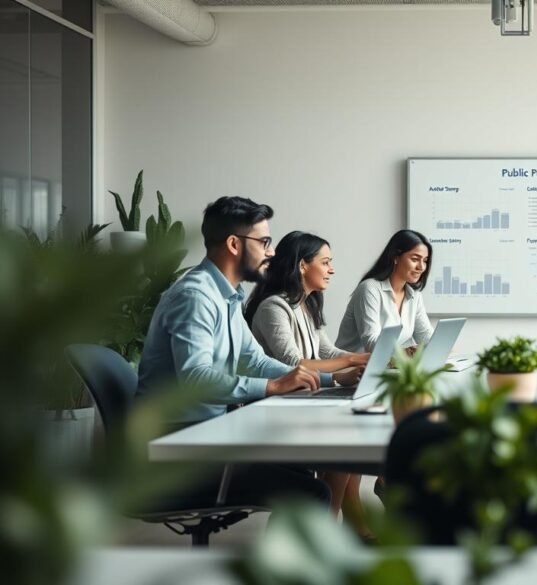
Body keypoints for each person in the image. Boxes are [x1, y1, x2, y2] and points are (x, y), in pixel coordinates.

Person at [137, 196, 335, 509]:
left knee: (302, 469)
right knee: (312, 493)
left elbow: (254, 360)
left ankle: (278, 558)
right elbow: (195, 378)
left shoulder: (226, 296)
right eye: (265, 241)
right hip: (178, 452)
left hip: (207, 436)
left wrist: (327, 380)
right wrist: (272, 387)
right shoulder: (196, 296)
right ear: (234, 244)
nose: (271, 252)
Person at [244, 230, 374, 538]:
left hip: (301, 401)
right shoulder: (273, 307)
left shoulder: (307, 304)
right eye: (326, 262)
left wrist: (368, 358)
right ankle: (326, 534)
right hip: (273, 410)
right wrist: (352, 363)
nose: (332, 270)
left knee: (350, 446)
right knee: (346, 448)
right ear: (303, 265)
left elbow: (327, 352)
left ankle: (338, 528)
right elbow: (294, 362)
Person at [336, 229, 434, 353]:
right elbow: (371, 343)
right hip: (351, 367)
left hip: (388, 366)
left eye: (425, 260)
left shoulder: (414, 296)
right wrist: (406, 352)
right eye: (415, 259)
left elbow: (425, 336)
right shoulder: (370, 289)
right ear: (395, 257)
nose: (421, 267)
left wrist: (439, 347)